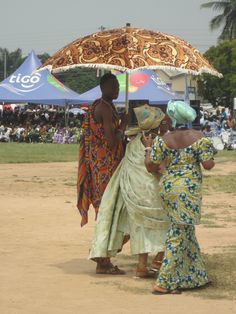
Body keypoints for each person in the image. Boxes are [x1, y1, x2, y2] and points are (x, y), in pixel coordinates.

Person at [89, 105, 172, 277]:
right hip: (153, 193)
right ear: (157, 126)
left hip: (134, 193)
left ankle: (142, 265)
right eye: (162, 121)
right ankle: (158, 260)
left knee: (140, 228)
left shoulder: (133, 144)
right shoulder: (158, 144)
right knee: (167, 225)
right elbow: (156, 168)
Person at [144, 100, 216, 294]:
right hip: (188, 189)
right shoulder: (199, 137)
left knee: (185, 230)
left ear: (173, 117)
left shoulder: (163, 139)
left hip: (168, 187)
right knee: (179, 231)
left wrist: (148, 148)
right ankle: (164, 281)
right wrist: (209, 156)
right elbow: (208, 165)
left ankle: (195, 276)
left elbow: (151, 166)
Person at [77, 73, 127, 274]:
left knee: (110, 210)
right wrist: (124, 124)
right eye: (114, 86)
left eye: (118, 86)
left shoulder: (104, 106)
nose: (117, 90)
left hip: (102, 165)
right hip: (104, 167)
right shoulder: (104, 108)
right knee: (108, 210)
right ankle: (102, 259)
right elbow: (111, 140)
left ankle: (104, 255)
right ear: (104, 87)